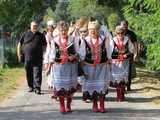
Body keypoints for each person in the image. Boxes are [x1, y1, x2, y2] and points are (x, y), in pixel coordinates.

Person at [48, 21, 78, 113]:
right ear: (58, 31)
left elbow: (78, 51)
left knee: (70, 87)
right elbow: (52, 54)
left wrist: (75, 56)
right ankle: (62, 106)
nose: (63, 32)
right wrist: (49, 66)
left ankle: (68, 105)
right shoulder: (55, 41)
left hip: (70, 66)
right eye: (62, 30)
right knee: (60, 87)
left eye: (65, 30)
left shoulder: (73, 39)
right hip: (59, 67)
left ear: (68, 30)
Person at [79, 20, 109, 113]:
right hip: (89, 66)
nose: (92, 31)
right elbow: (82, 53)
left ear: (98, 30)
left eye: (94, 29)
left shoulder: (104, 39)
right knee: (93, 86)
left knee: (102, 85)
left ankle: (102, 105)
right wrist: (82, 63)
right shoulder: (85, 40)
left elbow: (109, 50)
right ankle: (95, 104)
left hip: (102, 66)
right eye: (91, 29)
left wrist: (109, 59)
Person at [17, 21, 47, 94]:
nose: (35, 27)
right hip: (27, 58)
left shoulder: (41, 35)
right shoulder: (25, 34)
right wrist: (19, 54)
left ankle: (37, 88)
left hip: (38, 58)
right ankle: (31, 86)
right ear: (30, 27)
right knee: (29, 72)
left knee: (37, 73)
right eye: (33, 26)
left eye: (36, 26)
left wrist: (45, 54)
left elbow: (45, 46)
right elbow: (19, 44)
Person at [109, 25, 134, 101]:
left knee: (123, 79)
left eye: (122, 33)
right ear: (116, 33)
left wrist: (127, 55)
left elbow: (131, 50)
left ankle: (122, 95)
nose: (120, 35)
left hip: (125, 62)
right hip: (115, 63)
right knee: (117, 80)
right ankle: (118, 96)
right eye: (118, 33)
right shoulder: (113, 40)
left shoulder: (127, 40)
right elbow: (109, 51)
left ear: (124, 33)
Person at [121, 20, 138, 91]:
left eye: (125, 25)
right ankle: (121, 85)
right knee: (121, 70)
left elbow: (135, 44)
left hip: (129, 54)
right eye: (122, 25)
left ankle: (128, 85)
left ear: (127, 25)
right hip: (120, 55)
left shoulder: (131, 34)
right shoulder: (118, 33)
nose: (124, 26)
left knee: (129, 70)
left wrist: (136, 53)